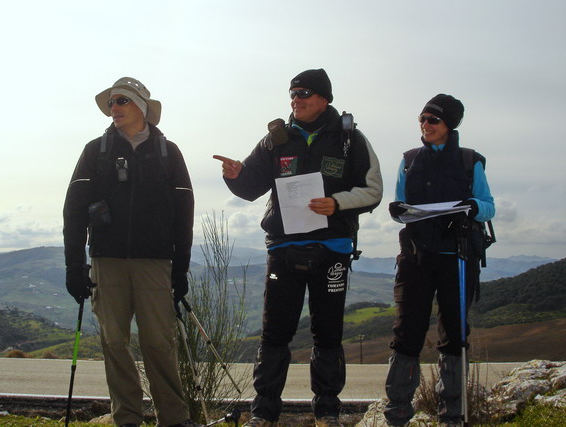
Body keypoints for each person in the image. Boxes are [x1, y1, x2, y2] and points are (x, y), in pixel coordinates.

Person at [214, 68, 383, 427]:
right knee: (275, 332)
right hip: (284, 248)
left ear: (324, 99)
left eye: (304, 93)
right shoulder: (275, 139)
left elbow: (373, 191)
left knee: (328, 333)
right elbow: (252, 187)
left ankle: (326, 412)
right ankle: (263, 413)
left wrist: (336, 202)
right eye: (292, 94)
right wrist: (234, 176)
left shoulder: (350, 139)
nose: (296, 100)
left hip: (333, 248)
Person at [63, 77, 199, 427]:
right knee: (115, 344)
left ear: (141, 107)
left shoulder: (169, 153)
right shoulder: (96, 150)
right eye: (111, 103)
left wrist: (180, 269)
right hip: (106, 263)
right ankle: (127, 419)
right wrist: (74, 265)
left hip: (155, 262)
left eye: (121, 101)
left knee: (159, 343)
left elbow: (185, 214)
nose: (114, 108)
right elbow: (74, 209)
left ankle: (174, 419)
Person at [383, 94, 495, 426]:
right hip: (416, 258)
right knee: (406, 333)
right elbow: (401, 204)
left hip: (457, 258)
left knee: (455, 334)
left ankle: (453, 414)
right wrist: (397, 210)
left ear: (450, 124)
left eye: (433, 120)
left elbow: (488, 204)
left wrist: (474, 207)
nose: (425, 125)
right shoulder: (409, 160)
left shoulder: (470, 161)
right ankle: (397, 413)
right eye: (422, 119)